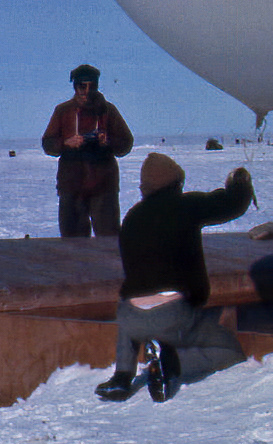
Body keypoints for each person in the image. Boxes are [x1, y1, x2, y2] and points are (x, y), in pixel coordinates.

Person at [96, 153, 254, 403]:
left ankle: (122, 376)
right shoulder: (184, 206)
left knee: (133, 300)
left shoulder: (132, 217)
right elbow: (231, 204)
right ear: (175, 184)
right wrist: (240, 183)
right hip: (171, 311)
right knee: (229, 351)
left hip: (130, 316)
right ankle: (174, 363)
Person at [42, 64, 134, 237]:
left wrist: (108, 141)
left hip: (103, 187)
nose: (86, 91)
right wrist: (66, 143)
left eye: (92, 86)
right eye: (81, 86)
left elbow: (126, 143)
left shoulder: (108, 111)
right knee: (72, 244)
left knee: (109, 241)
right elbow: (48, 144)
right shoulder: (63, 111)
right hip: (72, 187)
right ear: (74, 86)